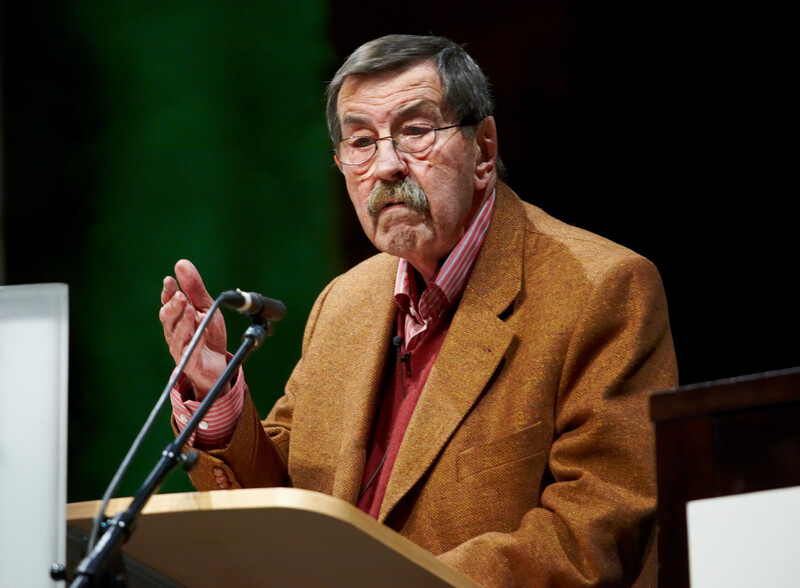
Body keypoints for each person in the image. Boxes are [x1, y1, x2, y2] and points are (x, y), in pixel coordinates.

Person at [159, 34, 677, 587]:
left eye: (415, 131)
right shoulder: (343, 302)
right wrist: (222, 400)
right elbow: (291, 501)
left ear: (482, 150)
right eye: (360, 141)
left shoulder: (601, 288)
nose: (385, 165)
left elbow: (591, 536)